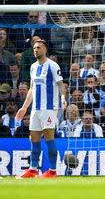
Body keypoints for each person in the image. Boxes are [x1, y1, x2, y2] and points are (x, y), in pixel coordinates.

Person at [15, 40, 67, 179]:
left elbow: (61, 84)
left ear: (44, 50)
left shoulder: (52, 65)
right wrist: (24, 107)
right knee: (34, 138)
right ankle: (32, 169)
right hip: (35, 109)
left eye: (38, 48)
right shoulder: (33, 67)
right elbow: (32, 88)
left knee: (49, 137)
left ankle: (52, 171)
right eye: (34, 48)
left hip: (49, 108)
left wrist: (63, 98)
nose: (35, 50)